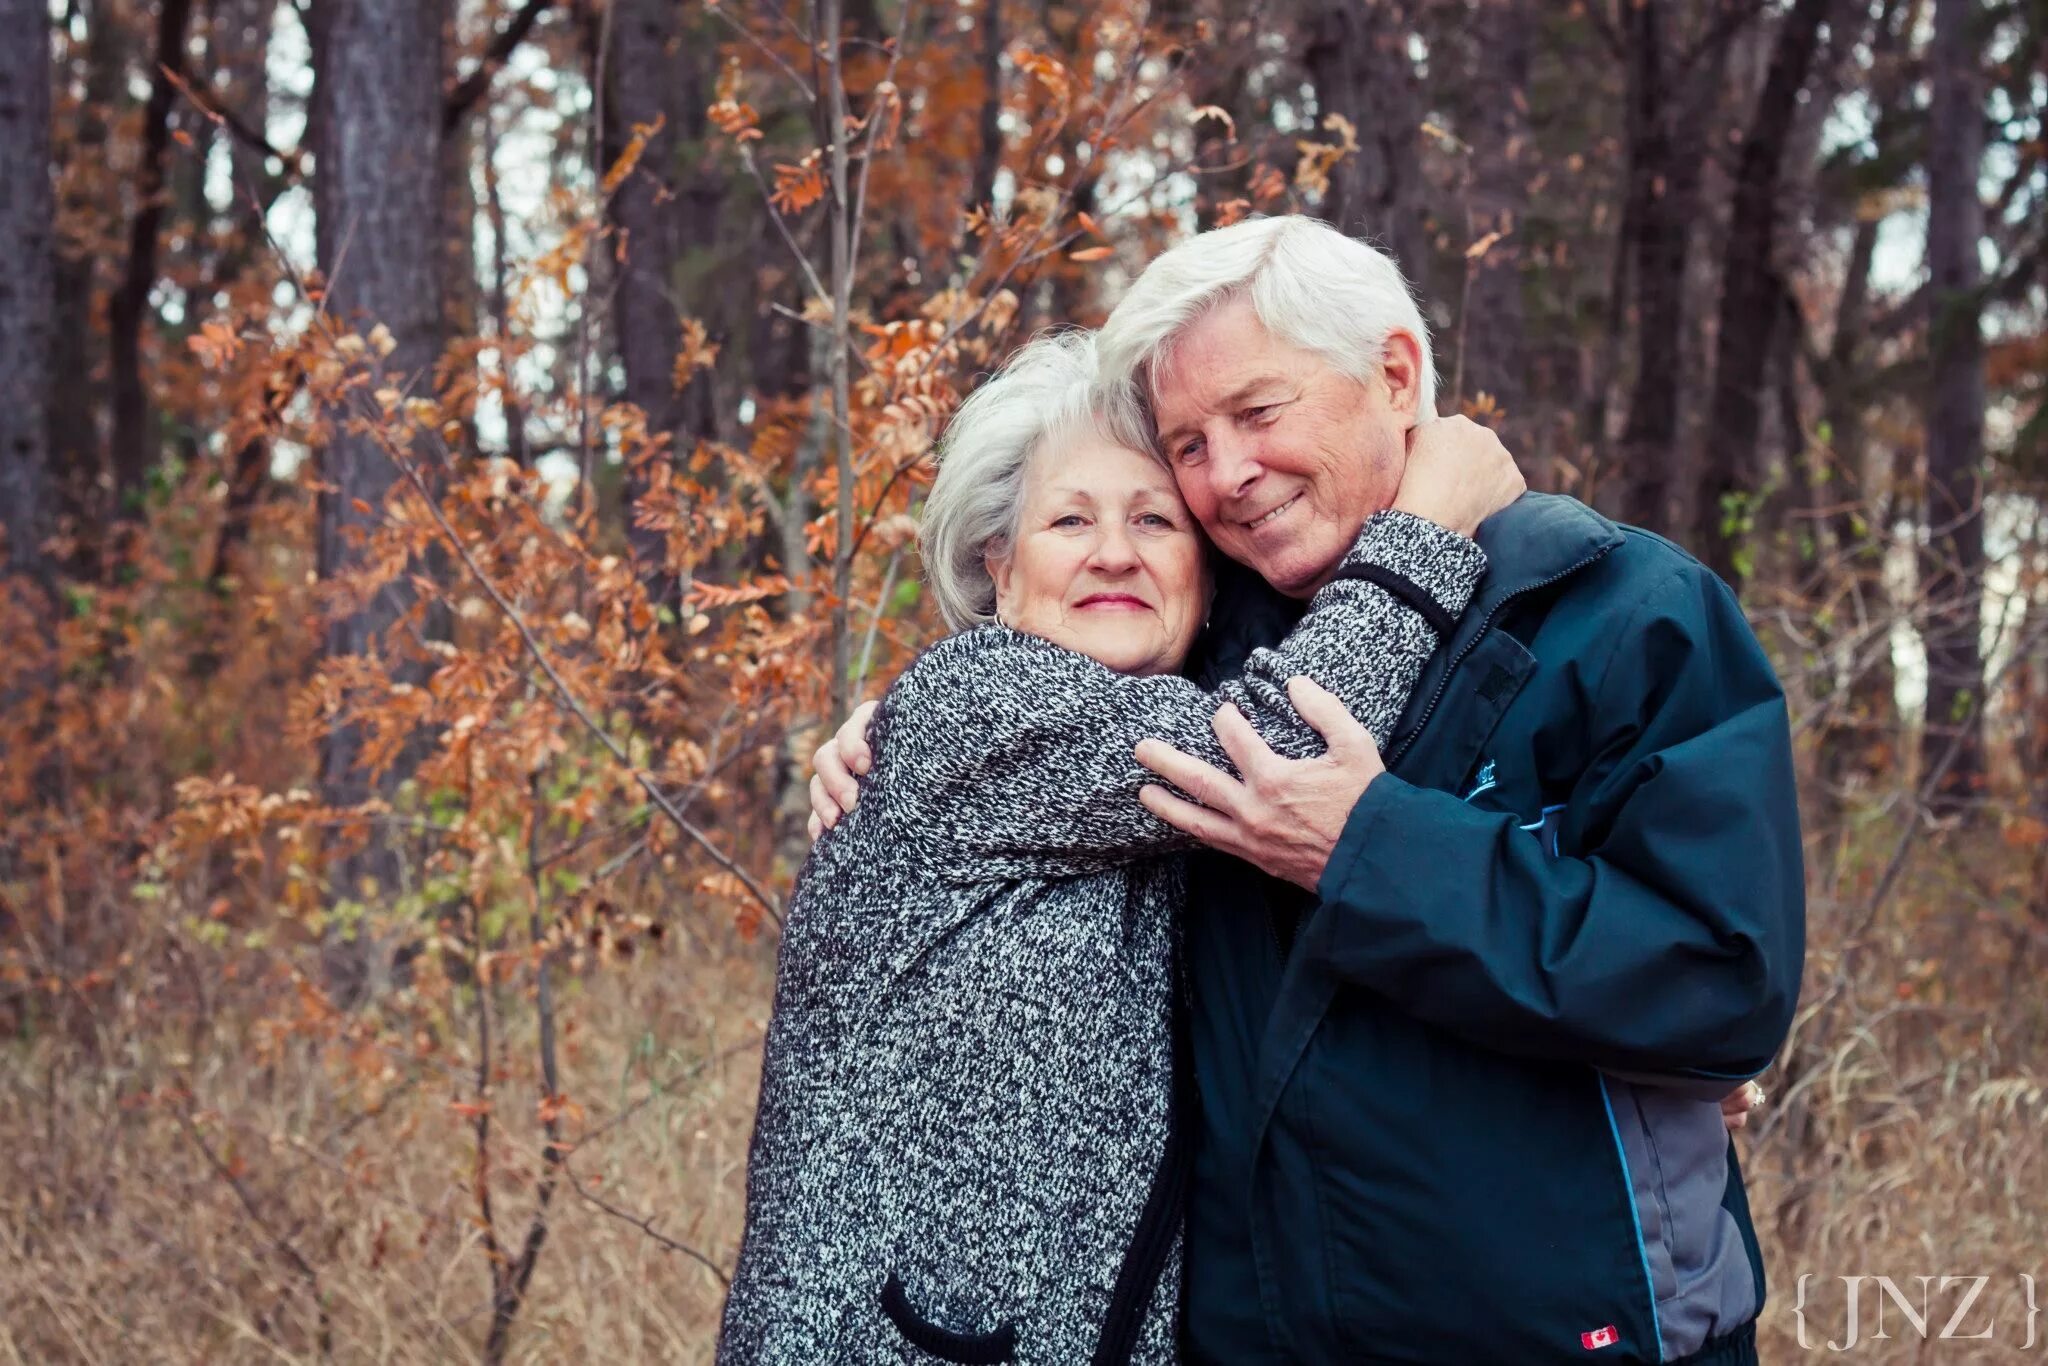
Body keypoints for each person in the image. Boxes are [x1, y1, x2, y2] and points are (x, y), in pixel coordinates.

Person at [811, 216, 1804, 1364]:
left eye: (1257, 413)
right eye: (1187, 444)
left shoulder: (1621, 613)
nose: (1226, 475)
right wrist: (885, 728)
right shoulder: (1204, 653)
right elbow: (1032, 699)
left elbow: (1720, 982)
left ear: (1391, 375)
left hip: (1567, 1337)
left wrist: (1371, 849)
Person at [718, 329, 1524, 1364]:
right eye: (1069, 519)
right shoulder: (974, 703)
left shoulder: (1129, 780)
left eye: (1152, 518)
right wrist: (1425, 526)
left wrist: (1617, 1078)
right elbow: (1274, 747)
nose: (1113, 551)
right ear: (999, 570)